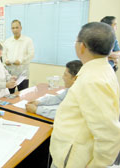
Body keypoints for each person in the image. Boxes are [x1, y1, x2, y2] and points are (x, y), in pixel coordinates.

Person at [50, 22, 120, 168]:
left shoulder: (93, 80)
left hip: (73, 160)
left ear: (82, 46)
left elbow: (109, 135)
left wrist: (97, 165)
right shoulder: (103, 69)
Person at [3, 20, 35, 93]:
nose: (15, 30)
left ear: (21, 28)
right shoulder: (8, 41)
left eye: (17, 27)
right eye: (13, 28)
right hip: (10, 74)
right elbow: (3, 54)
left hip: (23, 74)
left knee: (23, 95)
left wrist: (21, 61)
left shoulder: (27, 40)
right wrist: (5, 61)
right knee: (8, 95)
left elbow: (31, 54)